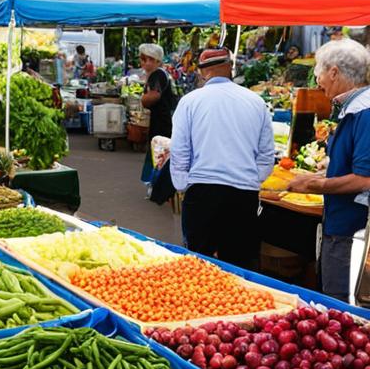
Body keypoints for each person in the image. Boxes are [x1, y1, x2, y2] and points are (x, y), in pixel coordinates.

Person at [169, 47, 274, 270]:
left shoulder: (190, 101)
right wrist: (252, 180)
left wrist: (183, 184)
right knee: (239, 265)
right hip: (243, 194)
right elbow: (266, 156)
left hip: (202, 191)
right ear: (230, 68)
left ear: (203, 72)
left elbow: (179, 152)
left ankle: (199, 302)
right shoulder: (255, 102)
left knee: (198, 265)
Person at [288, 40, 370, 301]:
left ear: (334, 72)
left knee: (340, 305)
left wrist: (316, 185)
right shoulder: (353, 107)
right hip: (341, 223)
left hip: (351, 229)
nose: (317, 80)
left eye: (319, 73)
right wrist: (321, 174)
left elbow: (364, 178)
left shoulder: (363, 112)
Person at [139, 43, 177, 184]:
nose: (142, 62)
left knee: (159, 151)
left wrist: (143, 99)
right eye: (142, 58)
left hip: (162, 120)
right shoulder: (161, 73)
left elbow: (154, 95)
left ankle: (156, 183)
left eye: (145, 58)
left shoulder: (157, 74)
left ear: (155, 60)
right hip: (164, 118)